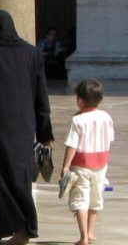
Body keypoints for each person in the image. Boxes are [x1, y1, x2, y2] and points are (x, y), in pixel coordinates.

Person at [0, 9, 53, 245]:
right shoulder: (32, 53)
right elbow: (41, 96)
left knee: (6, 177)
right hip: (25, 126)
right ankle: (4, 226)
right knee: (17, 175)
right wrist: (44, 131)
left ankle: (26, 228)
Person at [59, 79, 115, 245]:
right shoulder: (106, 117)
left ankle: (83, 237)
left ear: (80, 100)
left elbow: (71, 145)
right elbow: (110, 139)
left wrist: (66, 167)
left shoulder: (77, 120)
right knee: (96, 198)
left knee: (80, 199)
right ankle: (90, 232)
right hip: (101, 164)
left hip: (81, 165)